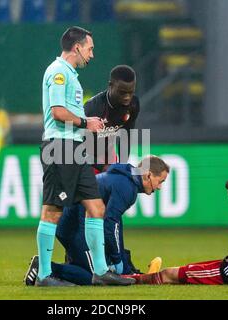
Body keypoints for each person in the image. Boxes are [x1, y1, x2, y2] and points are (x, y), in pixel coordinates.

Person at [37, 26, 134, 286]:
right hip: (60, 148)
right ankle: (44, 275)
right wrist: (85, 122)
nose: (91, 54)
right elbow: (57, 112)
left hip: (74, 149)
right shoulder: (58, 72)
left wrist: (84, 124)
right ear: (77, 47)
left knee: (96, 206)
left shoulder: (70, 74)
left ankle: (100, 271)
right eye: (90, 48)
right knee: (53, 211)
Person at [24, 156, 169, 285]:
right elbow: (110, 224)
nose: (160, 187)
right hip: (76, 227)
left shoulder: (125, 180)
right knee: (95, 277)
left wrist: (121, 262)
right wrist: (118, 260)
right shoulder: (127, 188)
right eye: (160, 181)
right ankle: (43, 268)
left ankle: (52, 269)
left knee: (95, 271)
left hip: (76, 223)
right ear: (148, 175)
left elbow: (115, 225)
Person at [84, 65, 140, 173]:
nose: (127, 97)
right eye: (122, 92)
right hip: (84, 158)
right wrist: (102, 167)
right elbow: (74, 147)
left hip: (107, 153)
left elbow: (126, 136)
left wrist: (122, 166)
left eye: (131, 92)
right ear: (110, 85)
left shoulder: (133, 104)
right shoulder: (94, 108)